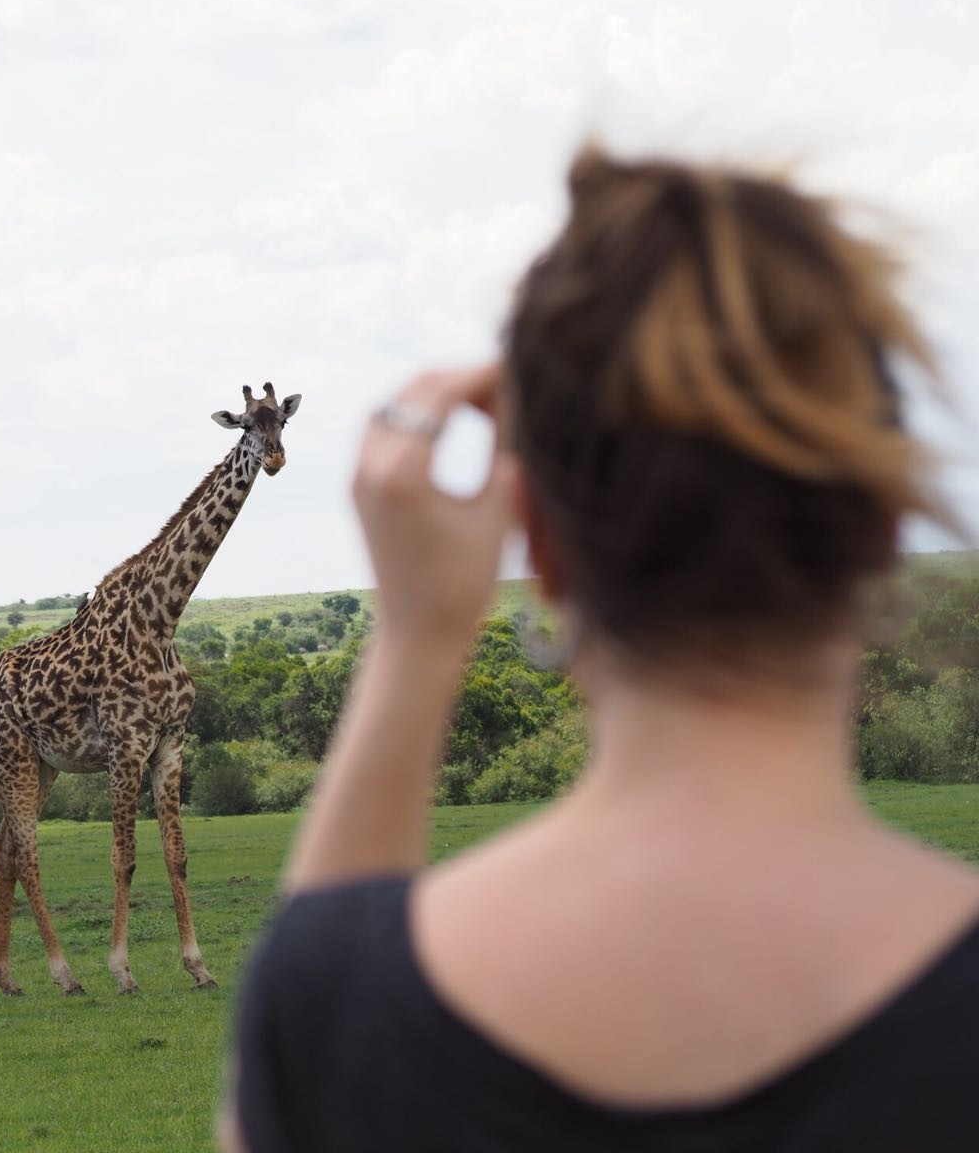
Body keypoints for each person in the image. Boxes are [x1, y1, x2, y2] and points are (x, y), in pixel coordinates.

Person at [223, 146, 979, 1151]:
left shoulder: (335, 1004)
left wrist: (414, 641)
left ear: (533, 538)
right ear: (883, 526)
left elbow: (311, 1037)